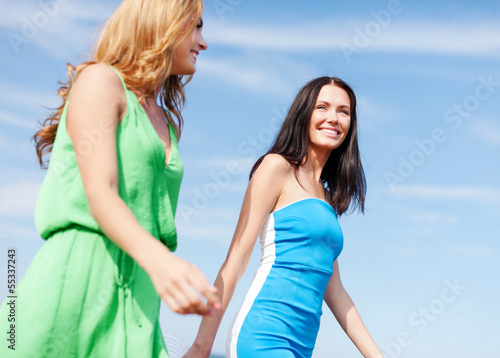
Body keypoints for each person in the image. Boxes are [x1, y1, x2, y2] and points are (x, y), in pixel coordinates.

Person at [0, 0, 220, 357]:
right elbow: (100, 193)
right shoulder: (101, 81)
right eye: (195, 26)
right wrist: (161, 262)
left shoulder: (167, 122)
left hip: (141, 298)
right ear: (162, 23)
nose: (203, 41)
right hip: (80, 279)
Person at [185, 77, 383, 358]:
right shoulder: (277, 167)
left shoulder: (326, 198)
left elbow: (336, 292)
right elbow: (236, 259)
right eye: (322, 107)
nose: (333, 118)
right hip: (263, 335)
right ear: (304, 113)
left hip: (302, 346)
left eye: (344, 111)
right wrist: (201, 345)